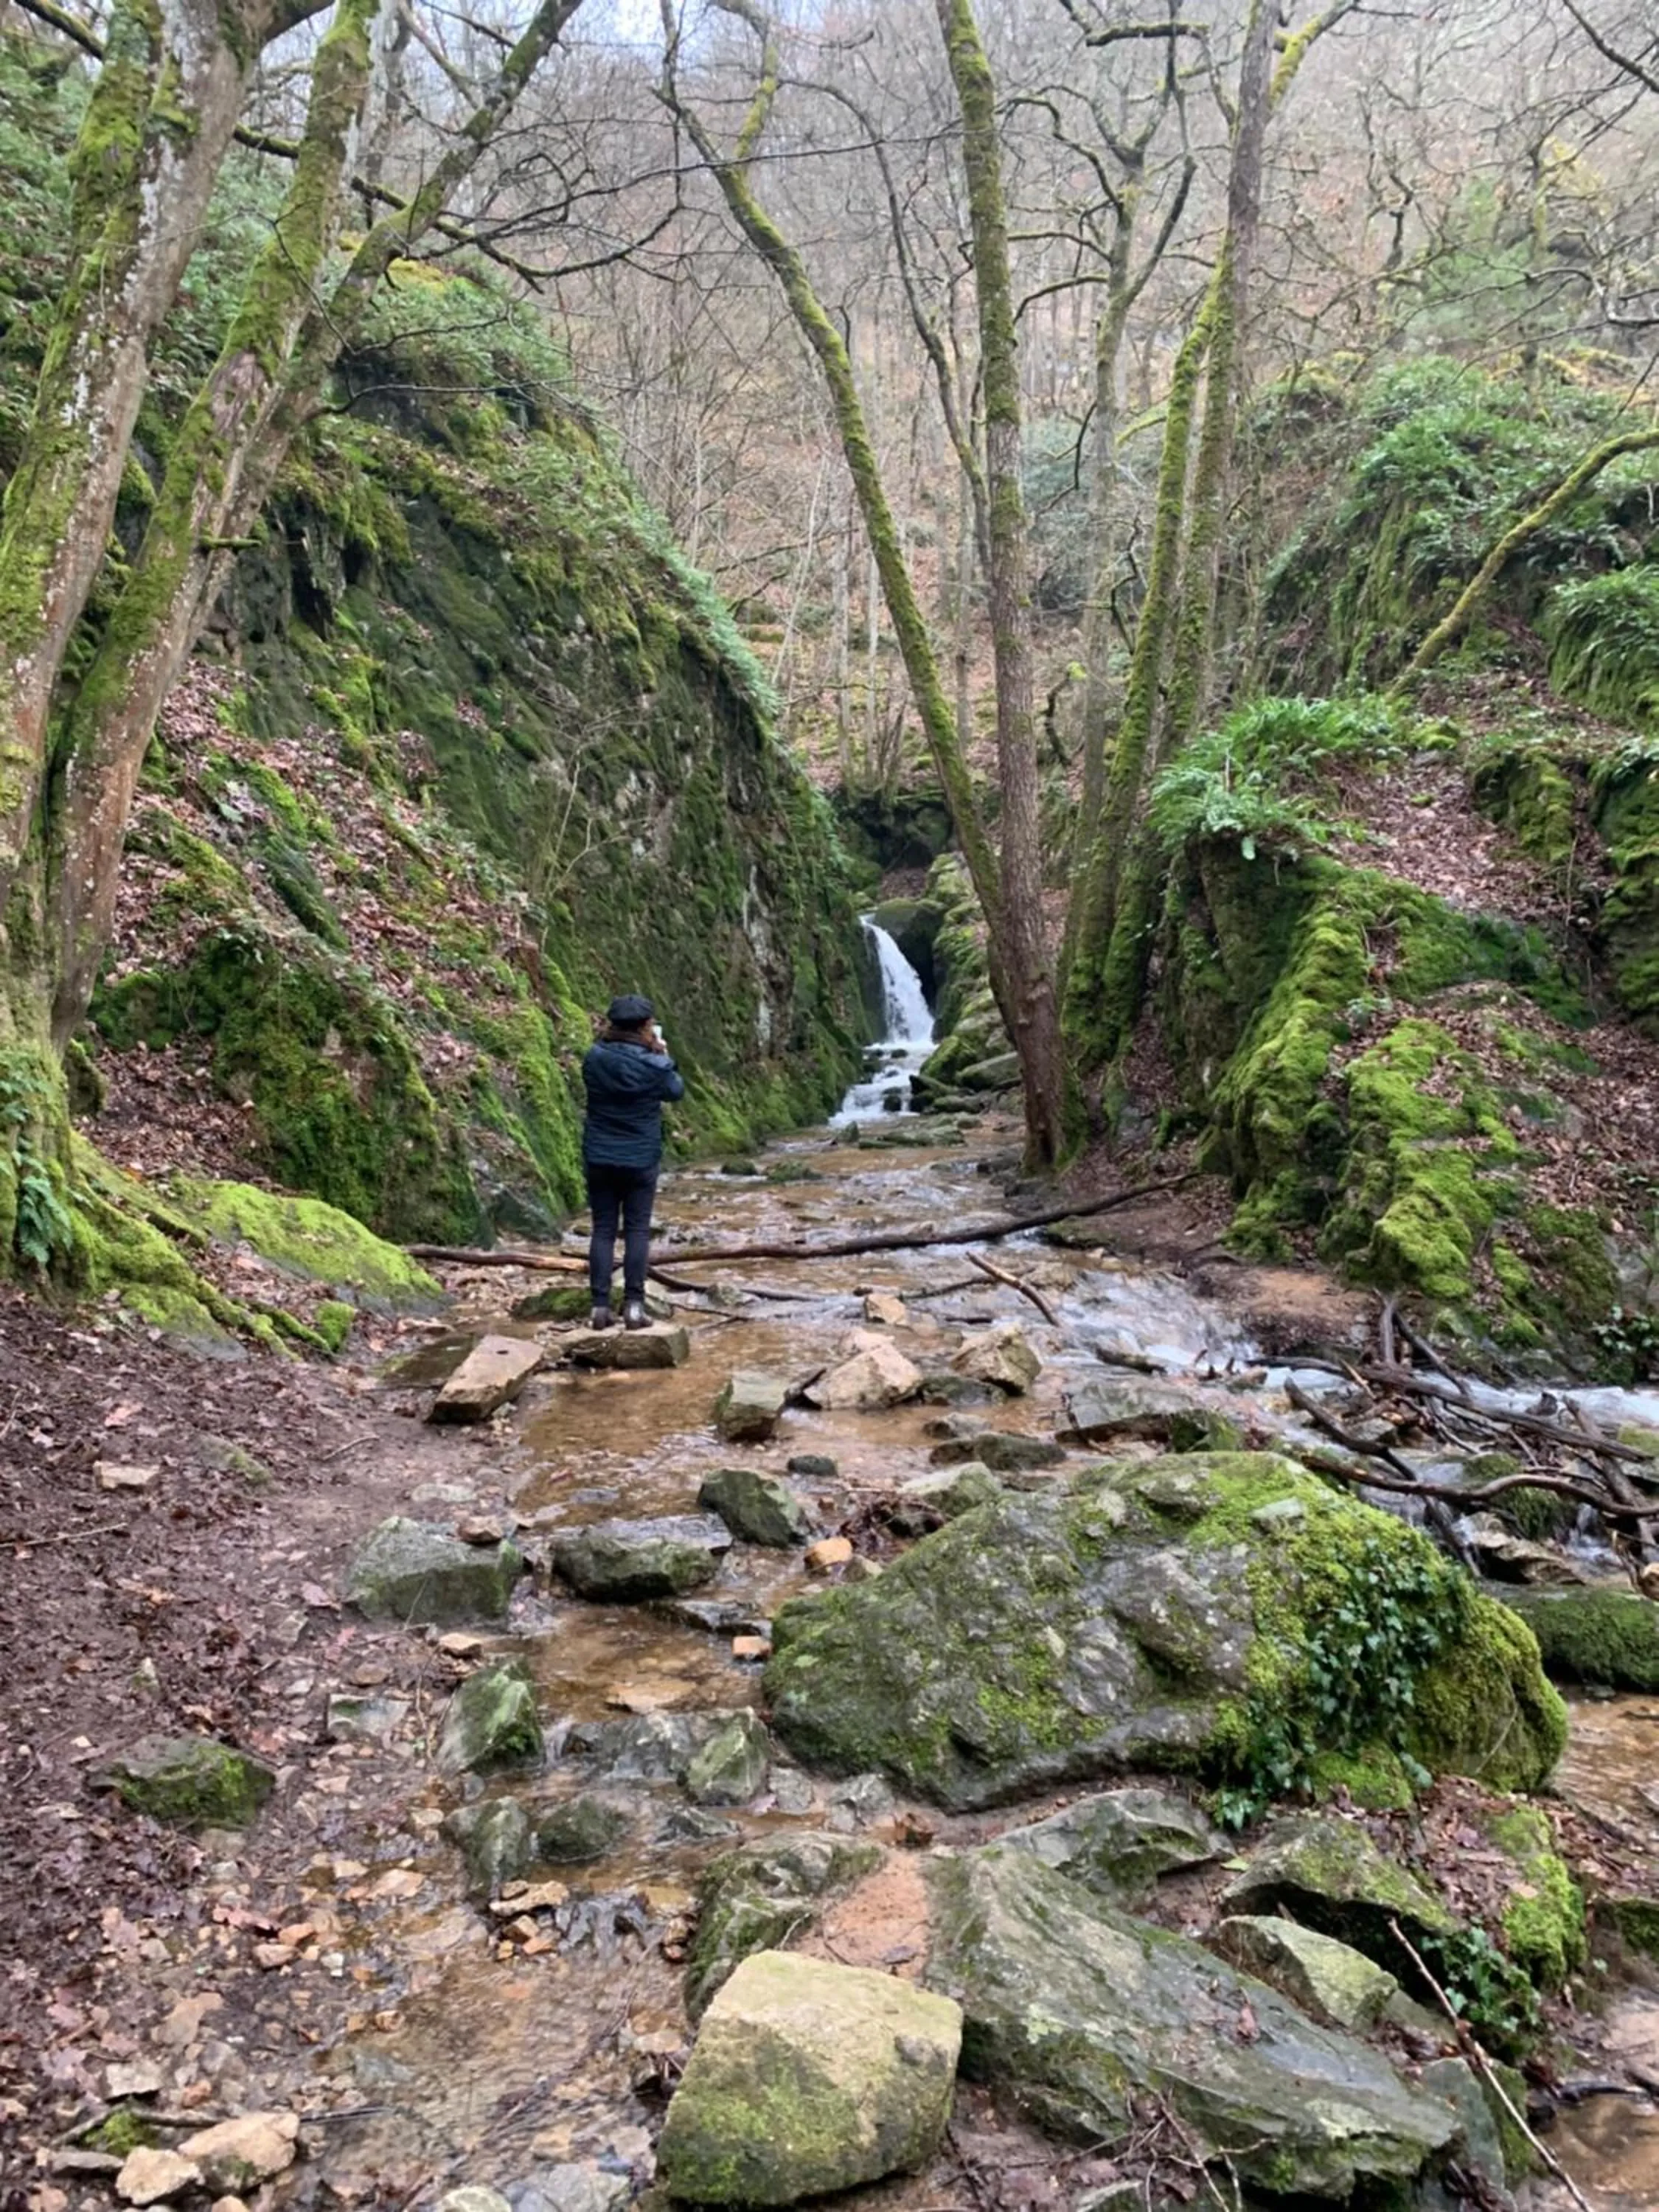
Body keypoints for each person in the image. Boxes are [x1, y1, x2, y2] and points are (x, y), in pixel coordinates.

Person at [581, 992, 684, 1331]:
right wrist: (663, 1054)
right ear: (645, 1025)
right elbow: (676, 1091)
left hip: (599, 1154)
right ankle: (634, 1307)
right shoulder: (655, 1064)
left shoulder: (594, 1058)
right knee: (637, 1229)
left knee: (603, 1230)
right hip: (640, 1157)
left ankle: (598, 1308)